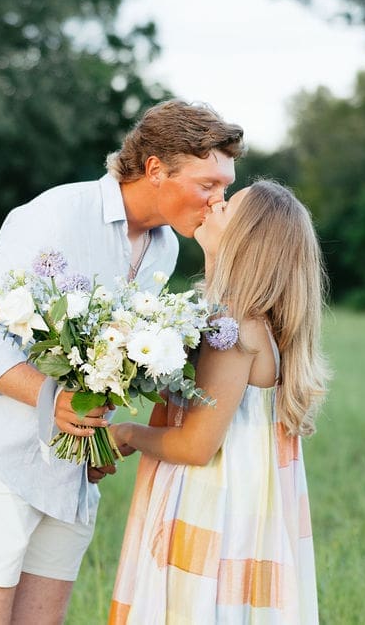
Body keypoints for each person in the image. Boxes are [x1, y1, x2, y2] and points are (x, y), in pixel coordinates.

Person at [0, 100, 245, 624]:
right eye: (207, 185)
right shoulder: (56, 213)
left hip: (69, 474)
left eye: (225, 187)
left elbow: (109, 359)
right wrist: (52, 400)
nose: (219, 202)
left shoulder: (164, 249)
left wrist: (92, 434)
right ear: (155, 169)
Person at [108, 180, 330, 624]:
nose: (214, 202)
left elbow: (196, 446)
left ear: (246, 240)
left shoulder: (234, 328)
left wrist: (127, 433)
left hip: (212, 510)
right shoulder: (232, 317)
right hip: (231, 509)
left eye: (228, 206)